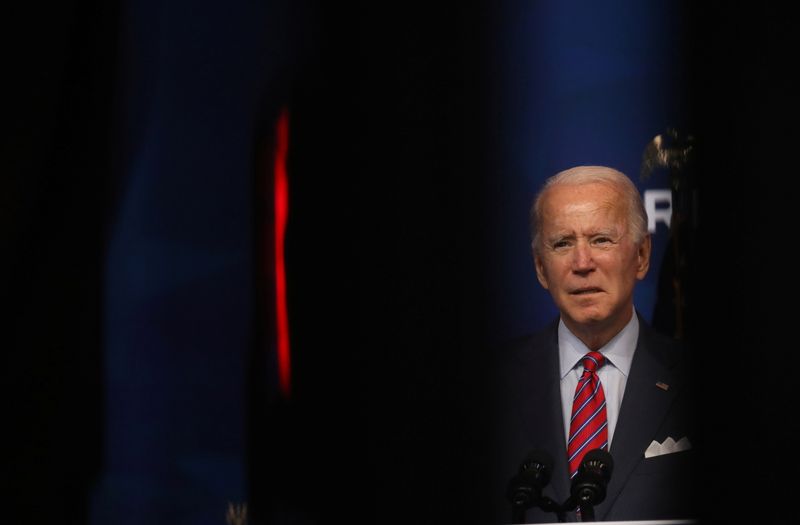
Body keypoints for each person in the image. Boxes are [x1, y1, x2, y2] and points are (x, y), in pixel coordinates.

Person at [488, 165, 698, 523]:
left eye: (601, 239)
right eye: (562, 243)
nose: (582, 263)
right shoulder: (490, 383)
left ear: (642, 255)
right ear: (541, 268)